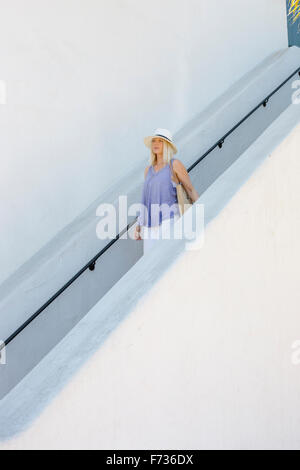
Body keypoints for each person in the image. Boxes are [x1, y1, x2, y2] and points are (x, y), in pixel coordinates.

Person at [134, 128, 199, 254]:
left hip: (168, 220)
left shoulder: (174, 164)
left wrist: (202, 212)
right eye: (154, 141)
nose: (156, 144)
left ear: (167, 145)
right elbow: (145, 199)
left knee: (166, 255)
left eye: (160, 141)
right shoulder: (148, 170)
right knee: (149, 260)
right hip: (149, 224)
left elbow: (190, 189)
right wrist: (139, 224)